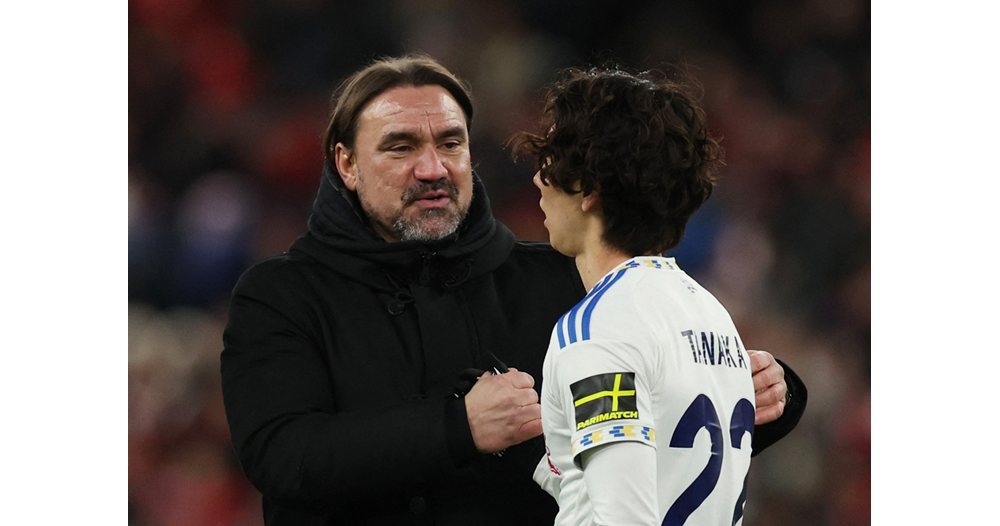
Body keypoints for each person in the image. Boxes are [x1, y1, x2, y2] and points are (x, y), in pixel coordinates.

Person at [220, 54, 806, 525]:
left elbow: (649, 449)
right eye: (401, 147)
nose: (433, 168)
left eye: (451, 143)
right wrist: (458, 428)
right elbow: (282, 457)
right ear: (346, 164)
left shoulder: (567, 280)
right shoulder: (281, 295)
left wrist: (764, 393)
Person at [513, 66, 775, 525]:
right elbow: (658, 476)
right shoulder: (713, 316)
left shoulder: (597, 329)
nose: (538, 179)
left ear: (589, 189)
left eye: (551, 160)